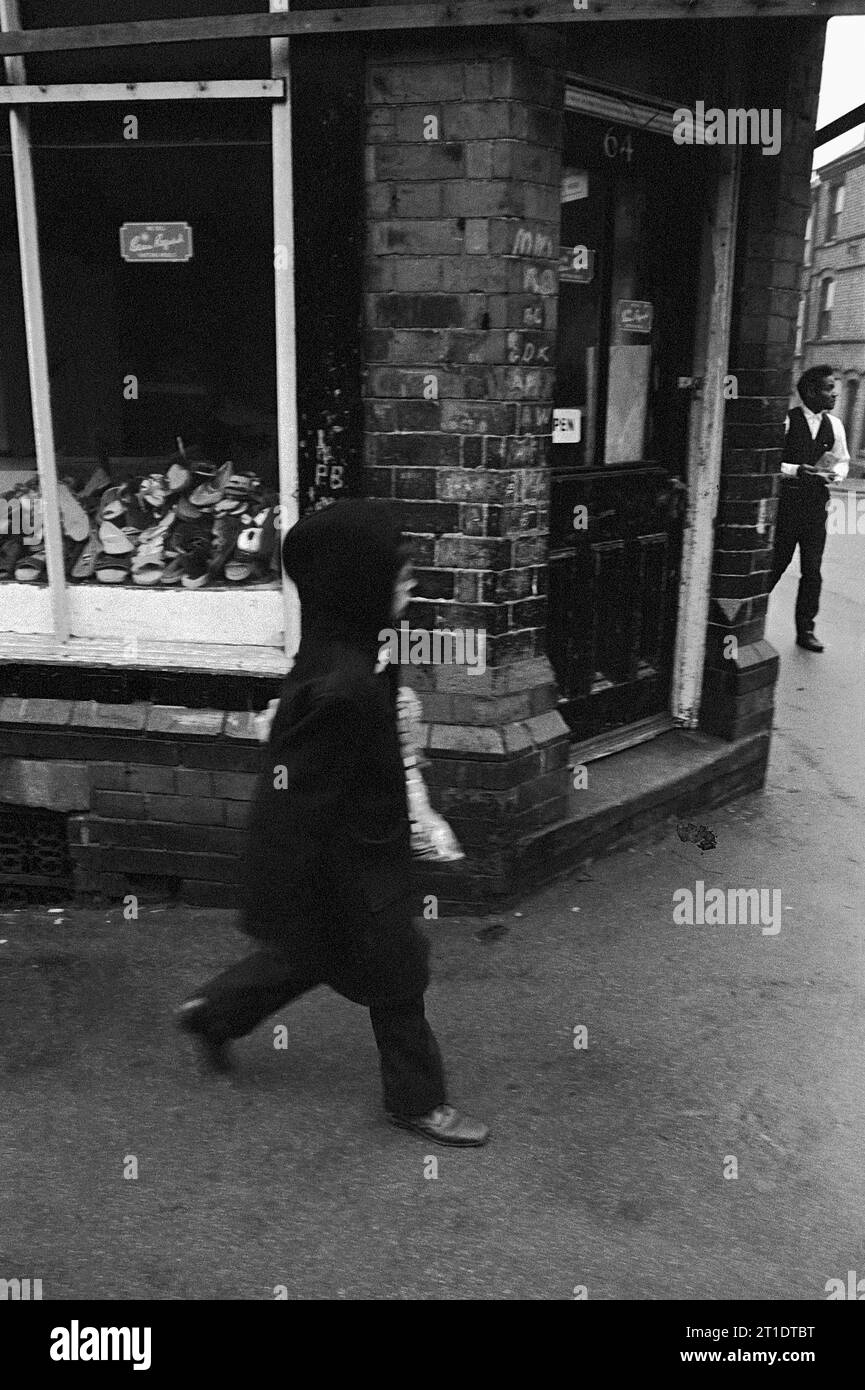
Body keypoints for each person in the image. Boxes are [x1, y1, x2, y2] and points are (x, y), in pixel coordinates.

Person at [176, 498, 489, 1148]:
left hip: (363, 852)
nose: (412, 583)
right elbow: (293, 802)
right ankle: (417, 1102)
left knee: (311, 954)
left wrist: (418, 814)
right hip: (349, 865)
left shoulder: (356, 647)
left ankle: (213, 1014)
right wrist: (282, 892)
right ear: (356, 582)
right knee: (399, 975)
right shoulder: (341, 684)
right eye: (397, 572)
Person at [768, 365, 849, 652]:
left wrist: (834, 474)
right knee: (776, 564)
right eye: (829, 388)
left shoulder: (835, 426)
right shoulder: (788, 422)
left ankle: (806, 630)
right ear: (812, 391)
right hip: (788, 505)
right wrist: (795, 470)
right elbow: (770, 461)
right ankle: (753, 622)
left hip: (816, 507)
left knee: (812, 570)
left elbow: (842, 460)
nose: (835, 393)